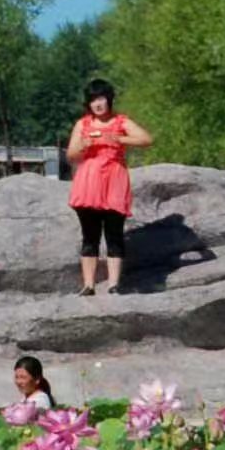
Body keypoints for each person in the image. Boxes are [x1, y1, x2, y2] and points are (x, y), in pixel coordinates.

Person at [65, 79, 152, 296]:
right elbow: (71, 155)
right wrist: (83, 145)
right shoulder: (83, 124)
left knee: (114, 234)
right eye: (93, 100)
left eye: (101, 98)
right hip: (89, 182)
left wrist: (120, 138)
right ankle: (89, 284)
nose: (98, 104)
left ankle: (114, 285)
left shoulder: (120, 121)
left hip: (114, 180)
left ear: (109, 99)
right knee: (90, 235)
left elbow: (146, 139)